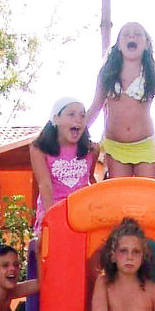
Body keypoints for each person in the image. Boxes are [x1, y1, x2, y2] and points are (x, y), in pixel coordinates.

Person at [84, 21, 155, 179]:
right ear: (119, 45)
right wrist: (77, 134)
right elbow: (95, 107)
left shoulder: (154, 76)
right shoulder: (106, 74)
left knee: (147, 194)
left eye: (137, 33)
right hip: (115, 145)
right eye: (126, 34)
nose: (131, 35)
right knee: (122, 194)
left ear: (147, 44)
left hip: (144, 145)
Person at [29, 95, 96, 228]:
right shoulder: (39, 149)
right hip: (54, 209)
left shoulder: (92, 149)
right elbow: (44, 185)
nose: (78, 119)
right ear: (56, 118)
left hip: (82, 212)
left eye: (82, 115)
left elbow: (90, 179)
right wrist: (51, 219)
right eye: (71, 114)